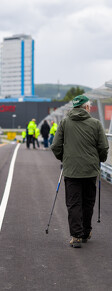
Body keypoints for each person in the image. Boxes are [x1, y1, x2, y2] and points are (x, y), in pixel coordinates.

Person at [51, 95, 109, 248]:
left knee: (74, 203)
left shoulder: (64, 123)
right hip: (90, 170)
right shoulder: (96, 124)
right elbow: (103, 147)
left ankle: (76, 236)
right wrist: (101, 159)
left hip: (71, 171)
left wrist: (64, 158)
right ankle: (86, 232)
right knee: (88, 202)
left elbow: (56, 146)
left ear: (74, 108)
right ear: (87, 107)